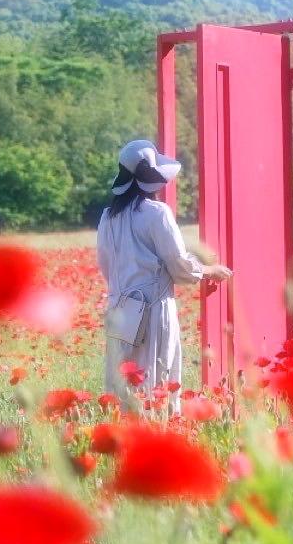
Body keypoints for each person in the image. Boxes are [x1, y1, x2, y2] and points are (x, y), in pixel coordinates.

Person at [97, 139, 231, 411]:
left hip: (120, 309)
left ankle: (123, 440)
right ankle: (157, 434)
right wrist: (208, 270)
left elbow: (106, 265)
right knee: (154, 379)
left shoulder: (108, 215)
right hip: (154, 310)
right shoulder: (157, 213)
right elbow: (179, 265)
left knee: (123, 385)